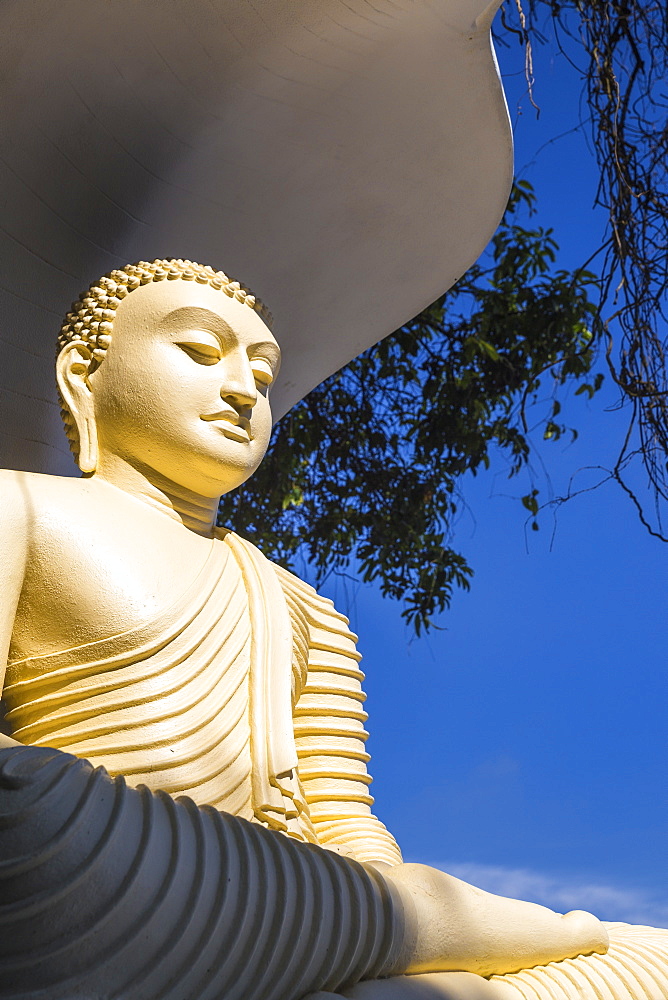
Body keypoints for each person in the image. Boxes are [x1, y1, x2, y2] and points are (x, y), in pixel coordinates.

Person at [0, 259, 660, 1000]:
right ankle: (428, 931)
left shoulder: (303, 606)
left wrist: (375, 889)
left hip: (286, 910)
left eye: (263, 373)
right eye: (199, 351)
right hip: (96, 877)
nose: (243, 388)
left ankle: (404, 945)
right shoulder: (17, 509)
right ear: (82, 376)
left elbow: (344, 821)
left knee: (652, 958)